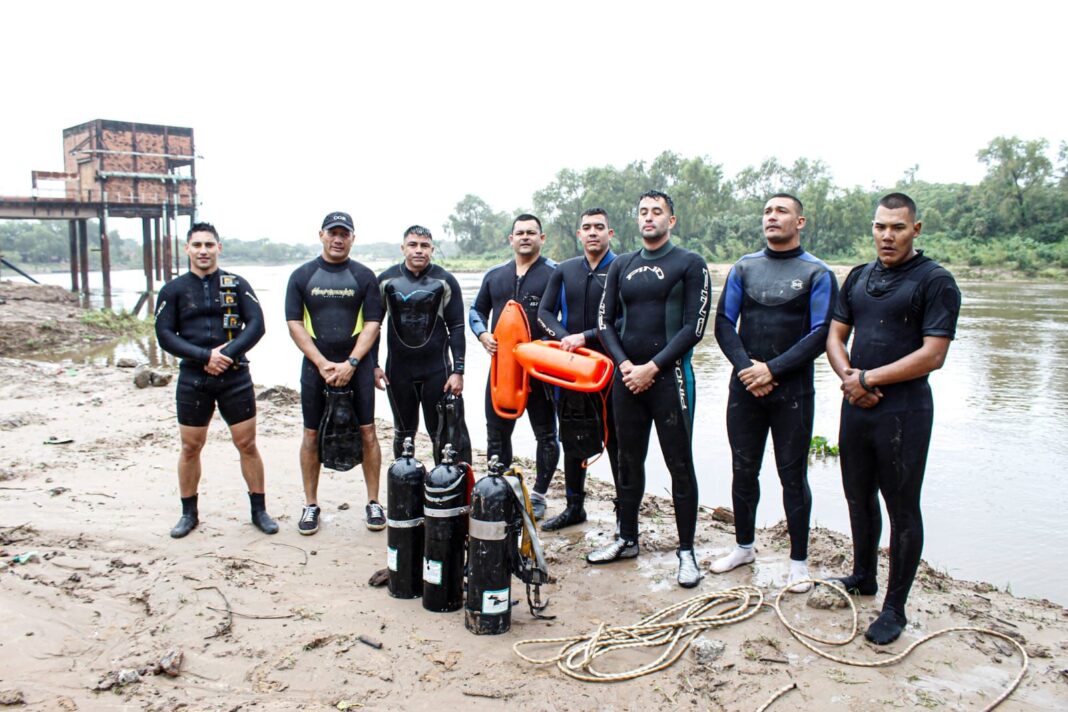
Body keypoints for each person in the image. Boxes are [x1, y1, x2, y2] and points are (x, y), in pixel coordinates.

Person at [826, 192, 961, 645]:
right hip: (856, 406)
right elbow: (836, 334)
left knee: (901, 508)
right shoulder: (860, 277)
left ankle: (895, 608)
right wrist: (849, 377)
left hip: (904, 411)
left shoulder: (935, 281)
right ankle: (864, 575)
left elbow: (933, 354)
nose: (887, 235)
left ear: (915, 230)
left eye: (898, 227)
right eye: (880, 226)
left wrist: (866, 378)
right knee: (857, 496)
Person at [711, 194, 838, 592]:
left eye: (781, 211)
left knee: (792, 476)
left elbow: (820, 333)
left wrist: (773, 369)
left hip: (792, 391)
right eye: (767, 211)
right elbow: (724, 324)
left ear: (800, 221)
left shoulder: (817, 273)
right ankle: (744, 547)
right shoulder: (745, 268)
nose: (772, 217)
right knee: (743, 470)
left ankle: (798, 562)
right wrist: (748, 368)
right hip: (745, 387)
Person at [587, 191, 711, 588]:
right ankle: (627, 538)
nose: (649, 218)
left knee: (680, 464)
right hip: (627, 380)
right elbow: (605, 322)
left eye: (657, 212)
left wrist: (653, 367)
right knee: (626, 461)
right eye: (643, 212)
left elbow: (695, 326)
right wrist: (626, 366)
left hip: (670, 380)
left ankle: (687, 551)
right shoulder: (622, 264)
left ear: (671, 220)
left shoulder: (690, 264)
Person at [155, 222, 277, 538]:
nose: (203, 251)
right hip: (194, 377)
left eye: (209, 245)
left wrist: (228, 353)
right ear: (187, 249)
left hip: (235, 375)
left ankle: (259, 511)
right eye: (197, 245)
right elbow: (165, 335)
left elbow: (257, 324)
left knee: (247, 443)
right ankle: (188, 513)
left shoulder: (236, 284)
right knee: (190, 446)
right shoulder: (174, 290)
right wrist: (204, 356)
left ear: (219, 248)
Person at [285, 211, 384, 535]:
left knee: (368, 431)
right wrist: (320, 362)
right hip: (316, 367)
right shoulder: (302, 276)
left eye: (345, 234)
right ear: (321, 235)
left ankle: (372, 501)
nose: (338, 239)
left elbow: (373, 324)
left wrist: (352, 363)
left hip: (357, 366)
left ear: (353, 238)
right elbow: (294, 323)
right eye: (333, 233)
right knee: (311, 433)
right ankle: (311, 504)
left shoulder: (365, 276)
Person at [469, 213, 559, 519]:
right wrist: (482, 334)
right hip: (503, 369)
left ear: (541, 238)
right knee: (496, 434)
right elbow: (476, 311)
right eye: (519, 232)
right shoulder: (495, 275)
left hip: (540, 370)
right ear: (511, 239)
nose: (525, 237)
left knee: (546, 435)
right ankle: (503, 487)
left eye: (531, 232)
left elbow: (565, 319)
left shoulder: (554, 273)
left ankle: (539, 494)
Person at [536, 207, 620, 531]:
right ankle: (574, 507)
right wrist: (566, 339)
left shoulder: (622, 268)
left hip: (610, 365)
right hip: (571, 368)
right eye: (587, 227)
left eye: (600, 226)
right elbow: (544, 312)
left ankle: (623, 513)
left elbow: (625, 320)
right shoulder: (565, 270)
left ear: (610, 233)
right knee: (571, 437)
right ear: (579, 234)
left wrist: (584, 337)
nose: (593, 232)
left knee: (616, 440)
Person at [373, 225, 466, 460]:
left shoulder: (445, 281)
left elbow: (456, 327)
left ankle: (442, 488)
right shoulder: (386, 280)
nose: (418, 250)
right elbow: (373, 326)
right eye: (413, 245)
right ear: (403, 248)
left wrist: (459, 371)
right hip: (398, 370)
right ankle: (405, 488)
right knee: (403, 434)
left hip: (437, 370)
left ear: (432, 249)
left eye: (424, 246)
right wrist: (373, 365)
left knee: (441, 434)